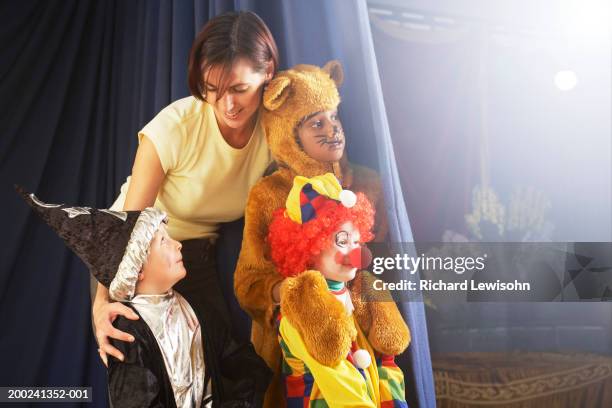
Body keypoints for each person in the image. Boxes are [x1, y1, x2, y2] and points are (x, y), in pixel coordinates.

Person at [92, 11, 279, 367]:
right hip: (135, 257)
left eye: (239, 89)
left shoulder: (276, 131)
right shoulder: (175, 128)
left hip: (194, 257)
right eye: (212, 90)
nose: (228, 105)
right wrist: (102, 304)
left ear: (267, 70)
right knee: (149, 376)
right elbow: (126, 227)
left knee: (225, 375)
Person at [234, 61, 397, 406]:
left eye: (334, 117)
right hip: (302, 357)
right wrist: (293, 294)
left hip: (366, 344)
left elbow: (379, 261)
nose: (333, 129)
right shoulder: (268, 194)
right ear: (290, 135)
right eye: (316, 122)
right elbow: (248, 284)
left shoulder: (368, 184)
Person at [17, 187, 271, 407]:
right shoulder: (129, 333)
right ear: (137, 269)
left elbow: (245, 363)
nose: (178, 244)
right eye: (164, 242)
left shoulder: (197, 308)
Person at [268, 174, 410, 407]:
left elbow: (388, 366)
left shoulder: (359, 300)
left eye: (357, 242)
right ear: (310, 247)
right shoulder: (301, 310)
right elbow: (341, 387)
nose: (355, 253)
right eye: (342, 242)